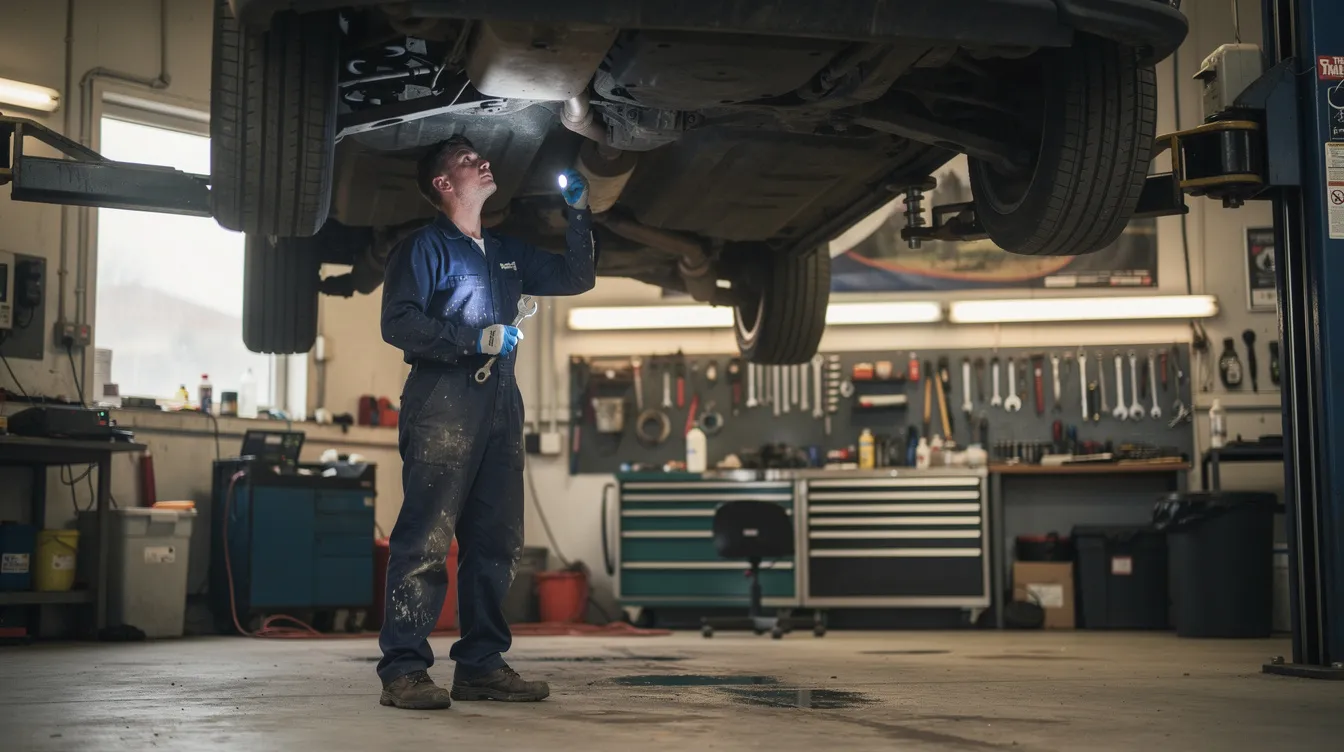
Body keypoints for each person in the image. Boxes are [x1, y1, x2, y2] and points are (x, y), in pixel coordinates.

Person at [376, 134, 594, 709]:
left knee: (496, 539)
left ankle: (480, 665)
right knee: (426, 538)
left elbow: (577, 276)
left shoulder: (505, 253)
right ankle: (402, 670)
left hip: (500, 401)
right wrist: (475, 338)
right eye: (469, 161)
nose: (483, 163)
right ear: (444, 185)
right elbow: (398, 322)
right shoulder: (423, 248)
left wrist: (578, 213)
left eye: (481, 156)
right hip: (442, 400)